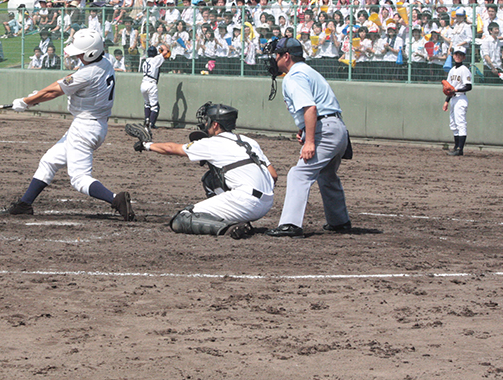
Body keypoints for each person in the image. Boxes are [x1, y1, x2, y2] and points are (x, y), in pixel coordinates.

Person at [7, 29, 134, 221]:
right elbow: (65, 85)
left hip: (84, 128)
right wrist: (36, 97)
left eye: (81, 53)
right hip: (92, 126)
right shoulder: (105, 63)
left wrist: (26, 101)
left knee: (79, 178)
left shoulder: (89, 72)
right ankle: (25, 204)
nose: (77, 56)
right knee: (49, 160)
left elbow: (54, 91)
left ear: (91, 52)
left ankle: (115, 199)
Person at [129, 102, 277, 239]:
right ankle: (235, 218)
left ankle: (228, 228)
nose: (205, 123)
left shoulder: (212, 143)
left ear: (216, 124)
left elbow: (171, 149)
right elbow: (273, 175)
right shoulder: (249, 141)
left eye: (208, 120)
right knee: (210, 178)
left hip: (246, 202)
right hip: (267, 202)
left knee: (182, 218)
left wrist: (147, 145)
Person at [264, 37, 352, 237]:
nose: (274, 60)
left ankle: (291, 225)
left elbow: (310, 107)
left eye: (276, 55)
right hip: (337, 128)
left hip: (325, 129)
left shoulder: (294, 75)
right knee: (326, 175)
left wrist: (310, 140)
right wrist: (305, 129)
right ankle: (339, 222)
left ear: (286, 57)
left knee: (299, 174)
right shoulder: (308, 71)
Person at [443, 48, 472, 156]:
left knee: (460, 123)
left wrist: (457, 90)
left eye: (460, 55)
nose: (458, 56)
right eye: (456, 54)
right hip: (453, 98)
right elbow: (449, 88)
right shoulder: (452, 70)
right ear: (453, 56)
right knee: (453, 124)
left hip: (461, 98)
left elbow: (469, 86)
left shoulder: (464, 69)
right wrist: (446, 101)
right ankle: (455, 147)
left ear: (464, 57)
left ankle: (460, 149)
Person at [140, 45, 168, 129]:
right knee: (155, 106)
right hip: (151, 83)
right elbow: (165, 51)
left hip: (143, 83)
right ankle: (151, 124)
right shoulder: (156, 59)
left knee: (147, 104)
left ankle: (147, 120)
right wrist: (162, 45)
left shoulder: (145, 61)